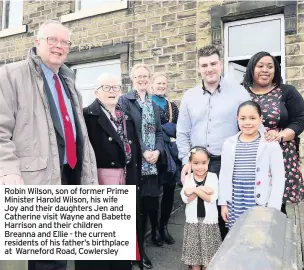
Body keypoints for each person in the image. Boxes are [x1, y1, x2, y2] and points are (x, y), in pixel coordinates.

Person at [0, 20, 98, 270]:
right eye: (52, 40)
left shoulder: (68, 80)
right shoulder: (11, 75)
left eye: (65, 42)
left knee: (59, 254)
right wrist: (9, 169)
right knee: (41, 259)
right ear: (36, 44)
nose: (59, 46)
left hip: (69, 175)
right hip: (35, 178)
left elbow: (78, 133)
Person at [176, 44, 251, 240]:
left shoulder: (239, 93)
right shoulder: (189, 96)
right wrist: (186, 161)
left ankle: (227, 257)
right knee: (201, 213)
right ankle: (207, 255)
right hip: (200, 164)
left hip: (230, 163)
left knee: (228, 212)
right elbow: (182, 132)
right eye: (204, 65)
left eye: (213, 63)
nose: (209, 69)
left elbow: (251, 126)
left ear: (221, 65)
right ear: (198, 68)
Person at [76, 73, 143, 270]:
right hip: (100, 183)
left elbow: (136, 153)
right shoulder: (87, 116)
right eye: (107, 88)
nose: (112, 91)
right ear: (97, 92)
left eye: (116, 88)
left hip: (126, 181)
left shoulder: (126, 117)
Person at [243, 51, 304, 212]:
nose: (265, 70)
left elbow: (300, 119)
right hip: (250, 154)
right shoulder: (242, 93)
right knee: (251, 201)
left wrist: (281, 135)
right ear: (251, 69)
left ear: (275, 70)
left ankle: (276, 235)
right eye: (260, 66)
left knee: (277, 204)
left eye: (270, 67)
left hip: (281, 153)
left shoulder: (287, 91)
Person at [118, 63, 164, 269]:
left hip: (152, 166)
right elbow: (129, 130)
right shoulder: (125, 101)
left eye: (146, 76)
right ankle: (137, 252)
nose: (142, 79)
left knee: (148, 207)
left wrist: (158, 152)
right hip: (135, 164)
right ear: (132, 79)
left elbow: (160, 133)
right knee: (134, 210)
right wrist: (145, 149)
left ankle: (141, 247)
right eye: (138, 77)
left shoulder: (154, 105)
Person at [218, 101, 285, 229]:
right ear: (237, 119)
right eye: (243, 118)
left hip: (259, 200)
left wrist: (273, 208)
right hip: (236, 199)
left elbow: (278, 178)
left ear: (260, 119)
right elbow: (224, 175)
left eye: (252, 118)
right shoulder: (229, 143)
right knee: (237, 235)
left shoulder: (270, 144)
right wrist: (223, 204)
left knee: (258, 235)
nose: (247, 122)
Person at [151, 72, 181, 245]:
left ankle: (164, 227)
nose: (161, 86)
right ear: (152, 85)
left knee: (169, 192)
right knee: (154, 194)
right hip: (155, 153)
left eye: (164, 83)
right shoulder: (148, 103)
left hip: (170, 156)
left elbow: (179, 127)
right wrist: (168, 135)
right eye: (158, 83)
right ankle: (154, 229)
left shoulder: (172, 106)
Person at [180, 146, 222, 270]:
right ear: (190, 163)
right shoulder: (188, 178)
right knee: (195, 259)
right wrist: (200, 189)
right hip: (193, 223)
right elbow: (186, 198)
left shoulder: (213, 177)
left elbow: (211, 198)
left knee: (209, 259)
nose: (200, 167)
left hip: (209, 223)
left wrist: (193, 190)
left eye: (203, 163)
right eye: (196, 163)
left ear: (208, 162)